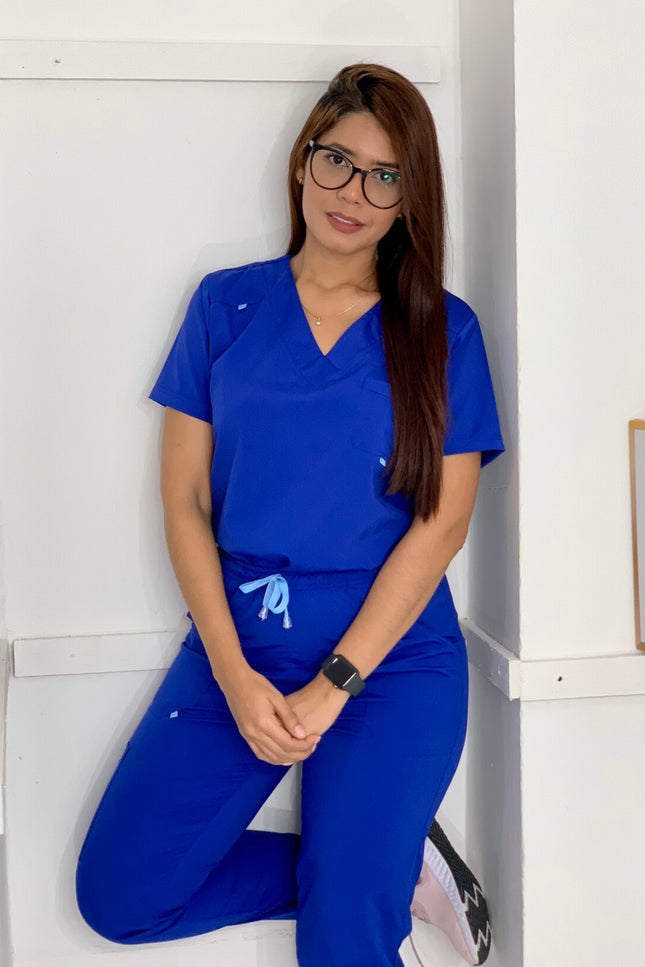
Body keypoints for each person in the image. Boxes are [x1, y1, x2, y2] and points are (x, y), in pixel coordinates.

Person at [75, 63, 504, 967]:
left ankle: (366, 876)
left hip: (390, 668)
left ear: (407, 200)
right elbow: (186, 501)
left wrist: (333, 683)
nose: (353, 192)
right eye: (337, 161)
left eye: (384, 175)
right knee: (120, 895)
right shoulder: (224, 305)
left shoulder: (442, 332)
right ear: (302, 162)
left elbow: (443, 526)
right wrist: (234, 676)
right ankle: (388, 866)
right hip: (239, 649)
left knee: (342, 942)